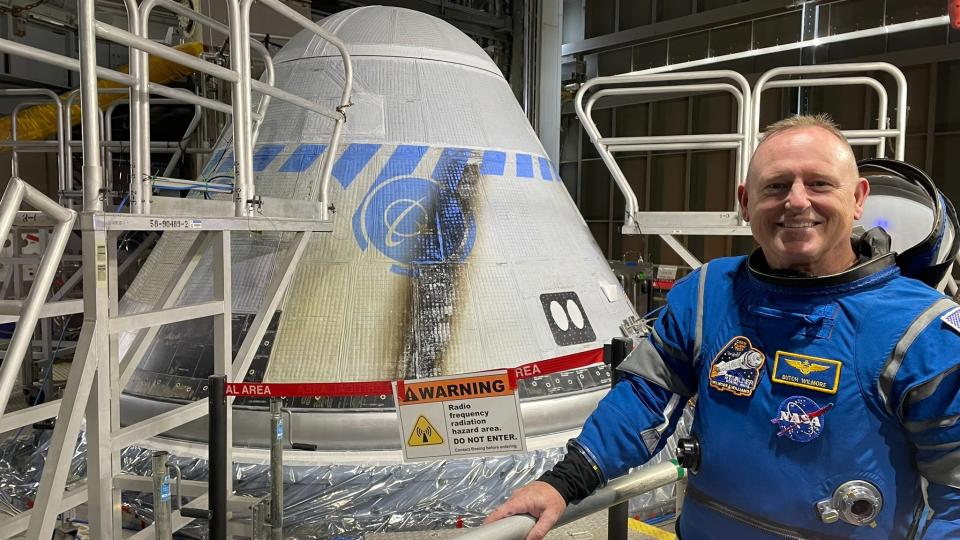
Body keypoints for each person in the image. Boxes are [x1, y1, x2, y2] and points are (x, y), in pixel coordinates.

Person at [484, 114, 960, 539]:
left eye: (818, 184)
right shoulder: (707, 295)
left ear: (858, 199)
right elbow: (644, 398)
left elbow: (954, 496)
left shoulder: (921, 332)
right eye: (775, 186)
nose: (796, 202)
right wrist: (563, 483)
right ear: (745, 202)